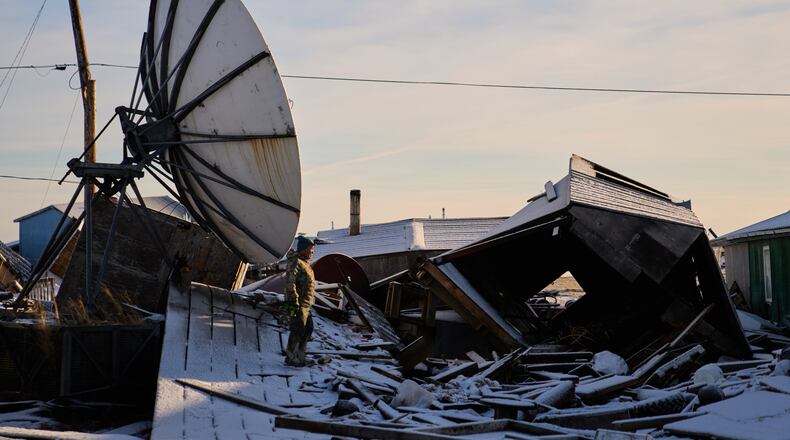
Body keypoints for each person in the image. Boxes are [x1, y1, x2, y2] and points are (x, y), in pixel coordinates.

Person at [284, 235, 316, 366]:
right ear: (303, 249)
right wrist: (293, 301)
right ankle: (291, 358)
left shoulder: (305, 263)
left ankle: (300, 356)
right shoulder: (295, 262)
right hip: (297, 303)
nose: (311, 252)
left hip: (305, 304)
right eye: (310, 250)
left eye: (313, 250)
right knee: (297, 329)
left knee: (308, 329)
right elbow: (290, 283)